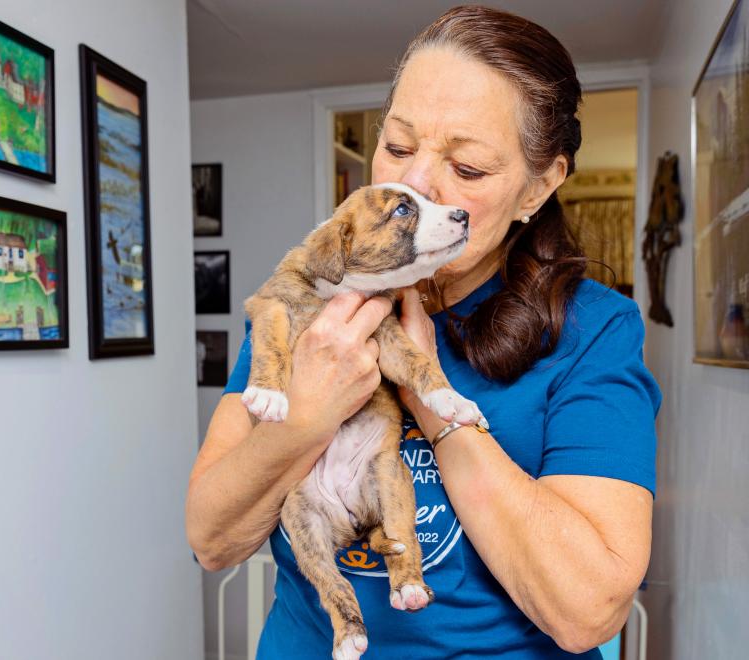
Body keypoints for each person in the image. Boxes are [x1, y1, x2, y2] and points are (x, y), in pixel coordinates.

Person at [186, 6, 661, 659]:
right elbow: (212, 540)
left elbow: (586, 612)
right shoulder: (309, 300)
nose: (411, 183)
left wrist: (427, 397)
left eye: (466, 168)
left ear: (538, 186)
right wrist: (307, 414)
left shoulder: (594, 330)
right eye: (399, 145)